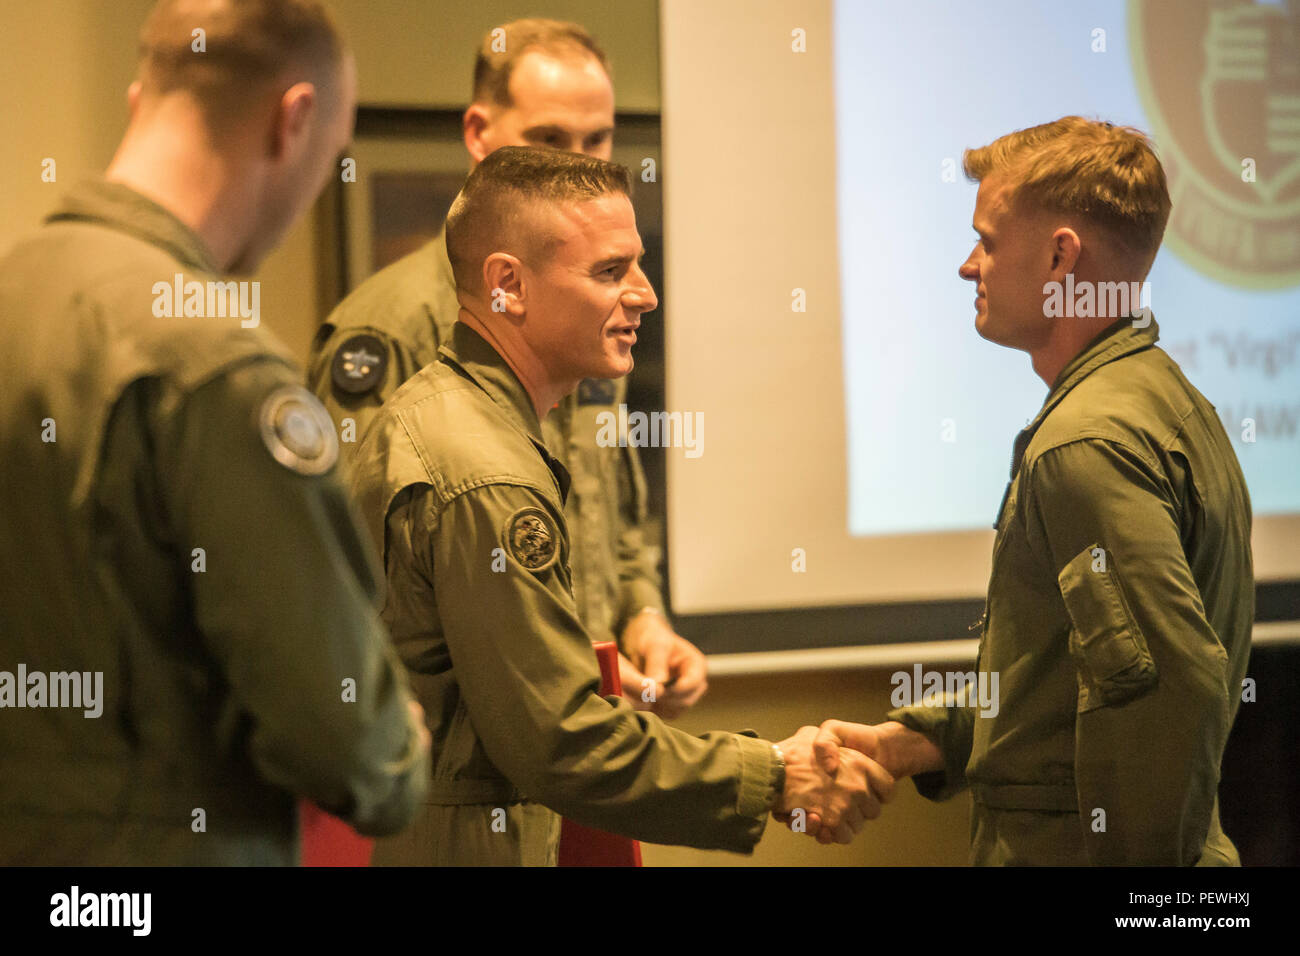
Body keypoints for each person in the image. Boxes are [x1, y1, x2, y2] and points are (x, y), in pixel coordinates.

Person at [348, 146, 895, 865]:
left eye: (636, 264)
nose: (645, 293)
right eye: (610, 272)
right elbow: (559, 741)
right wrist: (775, 774)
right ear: (507, 284)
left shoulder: (449, 416)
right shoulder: (486, 474)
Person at [0, 0, 429, 865]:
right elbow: (346, 740)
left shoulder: (17, 294)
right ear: (295, 119)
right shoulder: (215, 367)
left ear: (138, 100)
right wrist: (400, 746)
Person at [815, 117, 1254, 865]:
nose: (967, 265)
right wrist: (908, 742)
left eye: (987, 242)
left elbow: (1164, 697)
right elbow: (1062, 686)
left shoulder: (1085, 444)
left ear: (1059, 258)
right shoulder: (1161, 400)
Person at [308, 19, 708, 720]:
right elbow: (354, 581)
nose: (576, 165)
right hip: (469, 741)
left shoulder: (590, 312)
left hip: (588, 718)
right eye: (551, 140)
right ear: (478, 135)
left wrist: (644, 617)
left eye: (598, 141)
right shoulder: (392, 328)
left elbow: (614, 516)